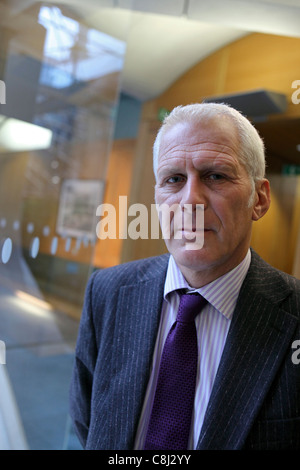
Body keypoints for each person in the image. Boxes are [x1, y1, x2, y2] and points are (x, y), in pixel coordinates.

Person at [69, 103, 300, 450]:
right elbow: (89, 424)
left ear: (260, 199)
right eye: (174, 179)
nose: (190, 200)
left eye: (216, 176)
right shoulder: (107, 292)